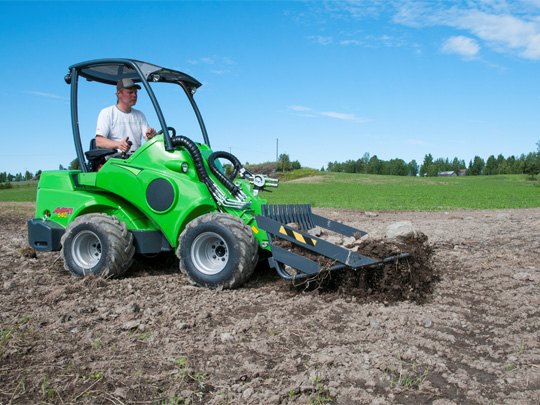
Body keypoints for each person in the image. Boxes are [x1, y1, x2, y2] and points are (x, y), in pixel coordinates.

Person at [95, 78, 157, 154]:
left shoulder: (139, 115)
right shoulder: (107, 113)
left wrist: (150, 136)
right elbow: (99, 141)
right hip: (116, 160)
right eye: (130, 92)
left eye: (135, 92)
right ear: (119, 94)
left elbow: (147, 137)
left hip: (135, 158)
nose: (134, 95)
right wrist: (119, 144)